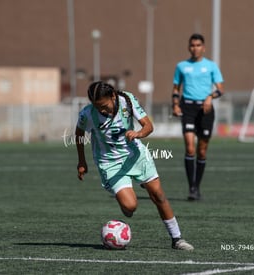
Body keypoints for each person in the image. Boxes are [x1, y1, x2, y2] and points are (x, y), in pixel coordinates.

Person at [76, 81, 194, 251]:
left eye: (103, 105)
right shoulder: (87, 114)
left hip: (136, 156)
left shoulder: (127, 100)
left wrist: (138, 133)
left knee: (158, 195)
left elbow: (148, 126)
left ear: (113, 96)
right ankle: (126, 204)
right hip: (110, 164)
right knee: (130, 207)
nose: (101, 110)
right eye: (96, 106)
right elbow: (79, 133)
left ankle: (177, 239)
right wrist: (82, 161)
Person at [171, 33, 224, 201]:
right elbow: (175, 89)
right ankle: (192, 187)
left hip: (206, 110)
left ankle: (197, 185)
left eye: (198, 45)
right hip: (187, 108)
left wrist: (210, 97)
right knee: (190, 148)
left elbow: (220, 89)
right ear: (189, 47)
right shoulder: (181, 66)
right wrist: (175, 104)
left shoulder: (211, 66)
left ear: (204, 47)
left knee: (201, 151)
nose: (195, 48)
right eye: (192, 45)